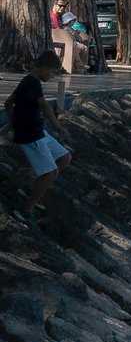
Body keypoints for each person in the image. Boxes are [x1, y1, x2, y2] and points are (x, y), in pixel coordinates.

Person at [6, 51, 71, 227]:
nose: (52, 76)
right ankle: (25, 210)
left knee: (64, 157)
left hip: (38, 131)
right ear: (43, 68)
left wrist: (14, 122)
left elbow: (8, 103)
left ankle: (33, 187)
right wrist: (58, 127)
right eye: (52, 72)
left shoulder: (29, 82)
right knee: (51, 173)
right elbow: (44, 106)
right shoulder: (32, 82)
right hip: (30, 135)